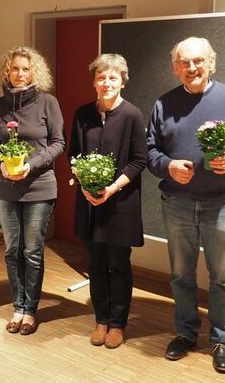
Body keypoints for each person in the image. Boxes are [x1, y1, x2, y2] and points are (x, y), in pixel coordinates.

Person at [147, 37, 225, 373]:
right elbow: (151, 150)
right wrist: (168, 166)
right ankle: (186, 332)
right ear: (175, 68)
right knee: (181, 275)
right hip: (177, 204)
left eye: (198, 61)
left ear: (212, 62)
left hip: (222, 204)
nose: (192, 68)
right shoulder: (163, 103)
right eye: (184, 63)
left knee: (224, 277)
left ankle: (221, 339)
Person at [0, 46, 65, 335]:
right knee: (11, 250)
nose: (20, 74)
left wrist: (31, 164)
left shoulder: (48, 103)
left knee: (31, 251)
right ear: (8, 71)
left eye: (26, 69)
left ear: (35, 72)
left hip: (39, 188)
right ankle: (17, 306)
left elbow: (58, 143)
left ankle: (30, 310)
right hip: (6, 189)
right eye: (15, 68)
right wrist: (0, 163)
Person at [68, 54, 147, 349]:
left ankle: (117, 323)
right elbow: (73, 155)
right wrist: (85, 184)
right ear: (94, 81)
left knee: (119, 264)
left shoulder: (132, 115)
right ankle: (101, 319)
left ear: (123, 81)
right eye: (101, 77)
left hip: (120, 204)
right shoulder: (82, 114)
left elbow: (140, 160)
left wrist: (113, 188)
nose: (106, 82)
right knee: (95, 264)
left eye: (113, 77)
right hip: (88, 202)